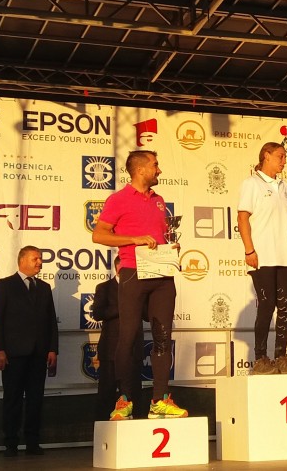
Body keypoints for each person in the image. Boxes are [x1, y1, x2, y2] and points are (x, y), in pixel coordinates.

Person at [92, 150, 187, 421]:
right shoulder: (118, 199)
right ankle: (125, 399)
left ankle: (160, 399)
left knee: (162, 336)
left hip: (162, 273)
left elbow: (159, 237)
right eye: (156, 165)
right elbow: (99, 235)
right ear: (141, 169)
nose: (159, 170)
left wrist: (171, 248)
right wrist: (134, 239)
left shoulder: (159, 200)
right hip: (133, 271)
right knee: (129, 335)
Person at [238, 142, 287, 375]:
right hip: (263, 256)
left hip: (286, 256)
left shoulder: (284, 186)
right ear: (266, 156)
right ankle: (260, 358)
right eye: (280, 156)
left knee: (286, 307)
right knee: (266, 305)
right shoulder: (251, 183)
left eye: (285, 157)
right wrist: (249, 250)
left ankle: (280, 356)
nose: (284, 161)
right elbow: (243, 218)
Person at [0, 246, 58, 457]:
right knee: (13, 399)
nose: (40, 262)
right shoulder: (5, 285)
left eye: (40, 259)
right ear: (22, 260)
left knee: (36, 399)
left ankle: (32, 442)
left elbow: (51, 321)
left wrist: (52, 349)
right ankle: (11, 443)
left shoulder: (44, 288)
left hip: (38, 354)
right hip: (14, 354)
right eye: (35, 258)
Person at [92, 256, 144, 420]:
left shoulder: (141, 287)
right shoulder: (104, 287)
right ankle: (103, 430)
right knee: (106, 393)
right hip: (111, 350)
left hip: (133, 349)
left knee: (134, 393)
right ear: (118, 268)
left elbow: (146, 314)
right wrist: (123, 306)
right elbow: (98, 313)